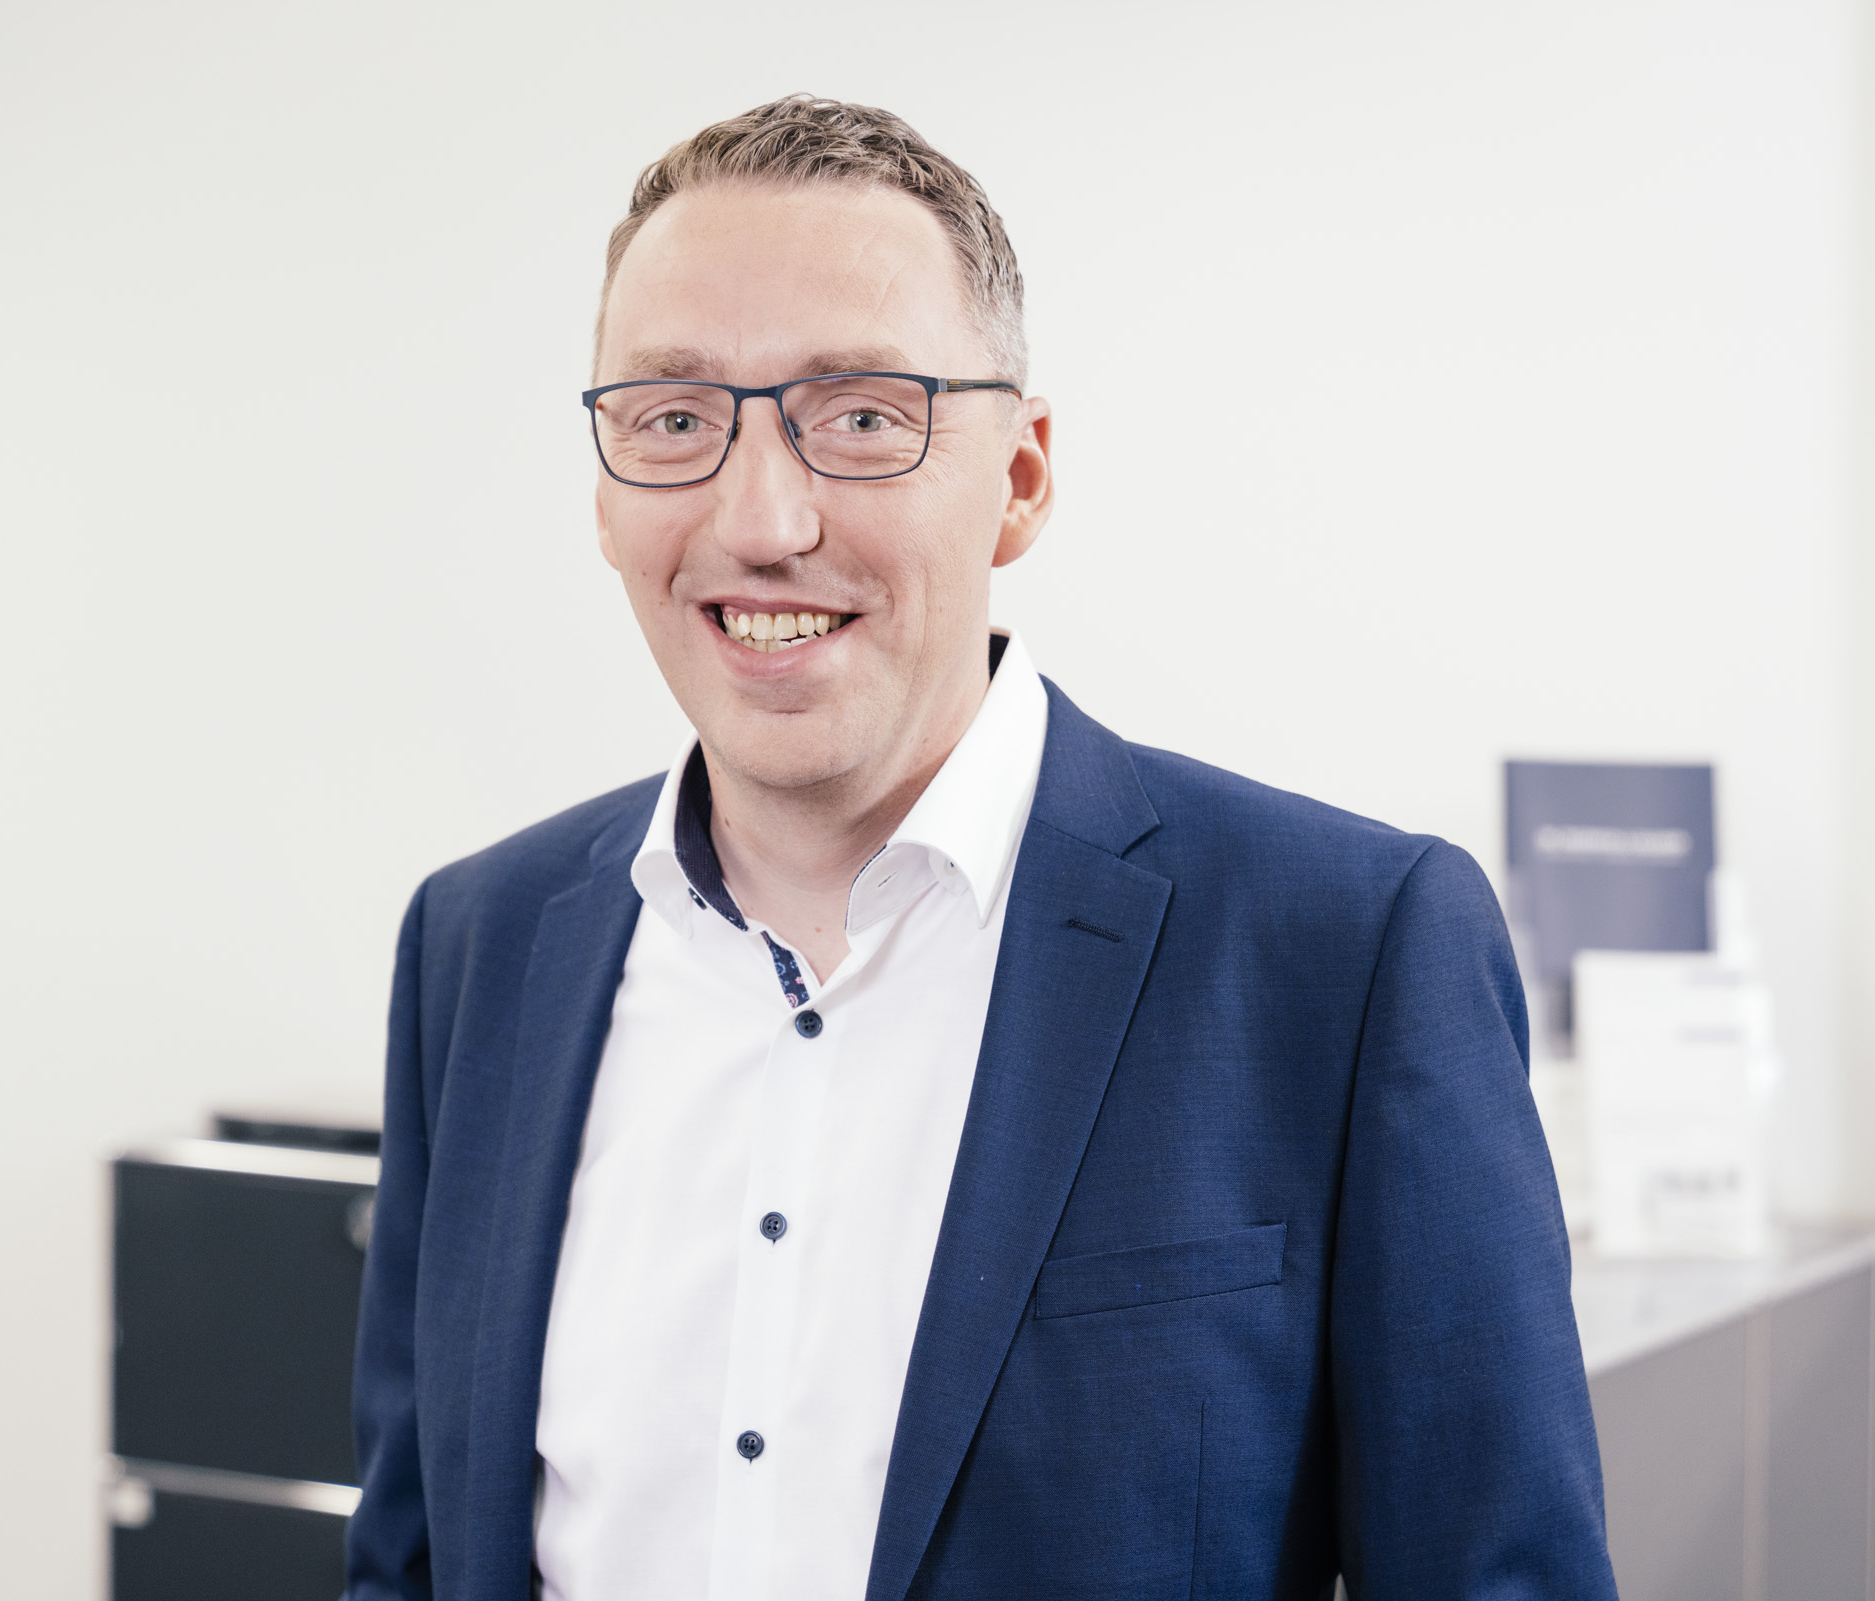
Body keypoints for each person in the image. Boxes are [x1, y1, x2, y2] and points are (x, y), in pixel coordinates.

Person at [346, 94, 1615, 1601]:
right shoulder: (479, 947)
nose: (763, 520)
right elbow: (410, 1562)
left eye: (863, 417)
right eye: (675, 419)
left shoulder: (1343, 951)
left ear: (1020, 478)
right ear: (606, 488)